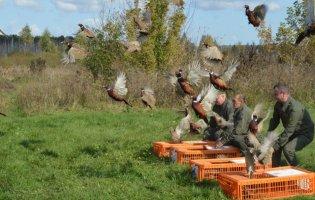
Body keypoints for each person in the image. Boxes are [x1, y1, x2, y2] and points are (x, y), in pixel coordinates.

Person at [268, 83, 314, 167]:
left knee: (288, 149)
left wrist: (276, 145)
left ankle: (299, 172)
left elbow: (289, 129)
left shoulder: (295, 108)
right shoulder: (278, 105)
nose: (274, 96)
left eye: (276, 94)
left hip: (304, 134)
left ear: (283, 94)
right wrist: (268, 135)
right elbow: (275, 121)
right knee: (275, 145)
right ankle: (275, 169)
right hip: (293, 132)